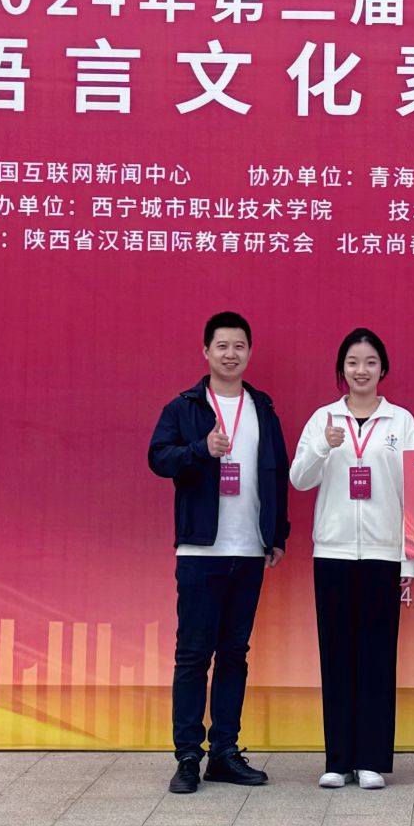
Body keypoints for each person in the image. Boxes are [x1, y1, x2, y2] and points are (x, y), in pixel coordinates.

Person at [146, 311, 289, 795]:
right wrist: (199, 450)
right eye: (222, 346)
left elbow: (276, 472)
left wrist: (277, 534)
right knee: (193, 655)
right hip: (199, 549)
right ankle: (188, 756)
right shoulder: (184, 406)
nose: (231, 354)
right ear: (206, 351)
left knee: (234, 654)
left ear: (250, 353)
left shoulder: (262, 408)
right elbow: (158, 458)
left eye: (239, 346)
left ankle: (225, 752)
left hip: (248, 549)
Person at [289, 327, 414, 790]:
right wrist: (323, 445)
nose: (361, 370)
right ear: (341, 369)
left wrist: (408, 560)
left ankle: (371, 760)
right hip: (333, 551)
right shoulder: (322, 419)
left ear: (383, 369)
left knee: (378, 657)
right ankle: (338, 759)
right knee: (337, 655)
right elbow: (299, 479)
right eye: (352, 362)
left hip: (384, 554)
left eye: (369, 362)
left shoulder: (401, 421)